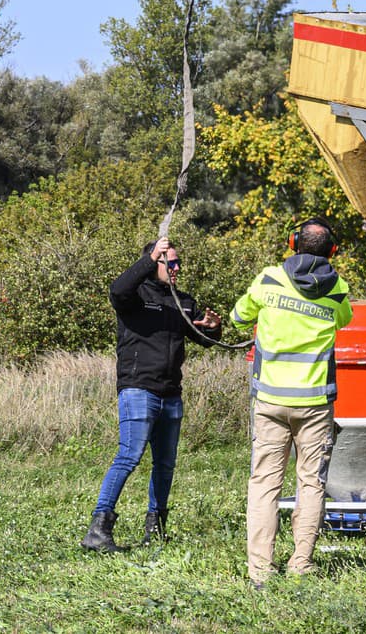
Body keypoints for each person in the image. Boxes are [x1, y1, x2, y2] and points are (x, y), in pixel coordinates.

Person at [230, 218, 354, 587]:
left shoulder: (268, 278)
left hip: (269, 399)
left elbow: (239, 319)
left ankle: (260, 569)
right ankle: (301, 562)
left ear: (291, 243)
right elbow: (343, 321)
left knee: (265, 483)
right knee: (311, 483)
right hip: (314, 403)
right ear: (332, 251)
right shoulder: (337, 288)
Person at [82, 237, 223, 553]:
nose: (175, 269)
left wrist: (214, 328)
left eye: (177, 264)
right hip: (138, 389)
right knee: (128, 456)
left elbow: (205, 338)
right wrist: (149, 259)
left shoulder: (183, 302)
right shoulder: (134, 296)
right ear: (153, 261)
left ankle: (155, 529)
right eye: (168, 263)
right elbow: (117, 289)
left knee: (165, 464)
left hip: (171, 394)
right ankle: (99, 528)